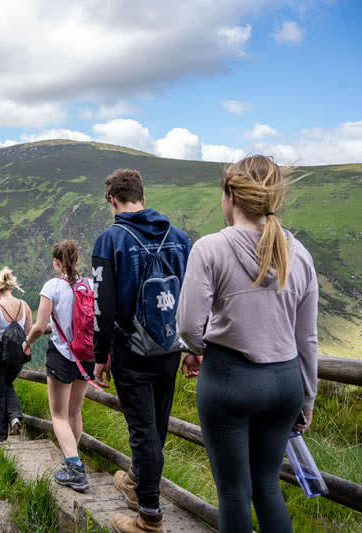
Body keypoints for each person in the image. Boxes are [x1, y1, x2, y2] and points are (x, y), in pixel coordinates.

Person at [177, 155, 318, 533]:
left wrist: (197, 349)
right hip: (286, 383)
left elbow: (190, 328)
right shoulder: (299, 254)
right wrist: (307, 398)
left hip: (229, 380)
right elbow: (307, 338)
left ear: (230, 196)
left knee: (235, 494)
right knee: (267, 487)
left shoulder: (210, 249)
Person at [90, 169, 193, 532]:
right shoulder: (179, 238)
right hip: (170, 347)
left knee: (143, 431)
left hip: (129, 349)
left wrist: (100, 355)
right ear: (142, 196)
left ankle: (149, 515)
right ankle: (136, 482)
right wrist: (193, 345)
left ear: (111, 200)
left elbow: (102, 304)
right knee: (157, 426)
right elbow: (193, 297)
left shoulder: (110, 240)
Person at [24, 240, 95, 492]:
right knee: (75, 412)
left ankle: (74, 468)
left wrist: (27, 341)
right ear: (77, 260)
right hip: (86, 354)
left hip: (62, 355)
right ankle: (71, 460)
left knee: (58, 415)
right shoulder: (90, 285)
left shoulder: (52, 286)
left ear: (56, 263)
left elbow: (40, 326)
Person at [0, 267, 33, 441]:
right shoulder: (24, 306)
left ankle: (0, 436)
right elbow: (29, 332)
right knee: (7, 384)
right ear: (11, 286)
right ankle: (14, 416)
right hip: (16, 355)